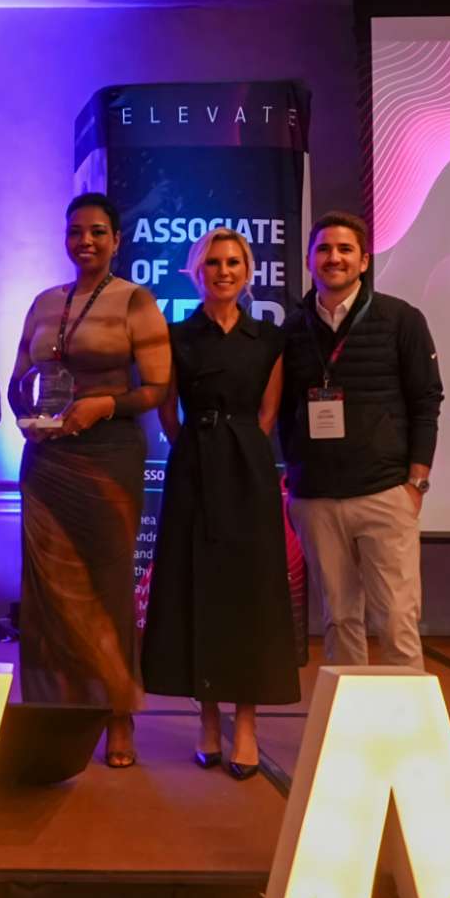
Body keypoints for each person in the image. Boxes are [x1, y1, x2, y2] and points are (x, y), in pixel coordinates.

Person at [8, 192, 170, 767]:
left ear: (116, 239)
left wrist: (103, 405)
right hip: (48, 459)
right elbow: (19, 377)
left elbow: (156, 388)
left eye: (98, 232)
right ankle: (52, 711)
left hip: (108, 458)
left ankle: (117, 716)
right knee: (47, 590)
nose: (86, 241)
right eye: (76, 231)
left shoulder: (135, 300)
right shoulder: (45, 301)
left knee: (105, 587)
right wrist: (27, 421)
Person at [141, 229, 301, 780]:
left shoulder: (269, 339)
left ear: (248, 271)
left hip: (248, 470)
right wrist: (198, 444)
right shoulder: (177, 335)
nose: (224, 270)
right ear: (196, 271)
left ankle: (247, 724)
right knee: (198, 589)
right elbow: (166, 411)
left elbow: (268, 414)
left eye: (234, 262)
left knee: (248, 594)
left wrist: (237, 450)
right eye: (213, 262)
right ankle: (207, 721)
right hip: (193, 468)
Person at [278, 210, 444, 670]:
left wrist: (416, 483)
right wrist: (295, 478)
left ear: (364, 260)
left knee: (395, 620)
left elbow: (426, 400)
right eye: (324, 249)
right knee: (340, 621)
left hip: (384, 492)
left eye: (345, 249)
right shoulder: (291, 329)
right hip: (316, 499)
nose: (335, 258)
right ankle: (348, 734)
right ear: (310, 260)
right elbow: (282, 410)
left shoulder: (401, 319)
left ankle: (406, 737)